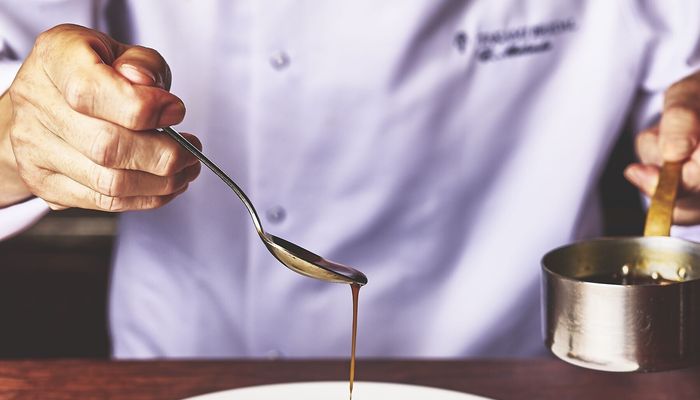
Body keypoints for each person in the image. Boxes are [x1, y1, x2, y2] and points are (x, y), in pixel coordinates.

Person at [1, 2, 700, 358]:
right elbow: (19, 94)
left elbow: (684, 71)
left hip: (510, 367)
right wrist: (21, 138)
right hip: (190, 364)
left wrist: (683, 150)